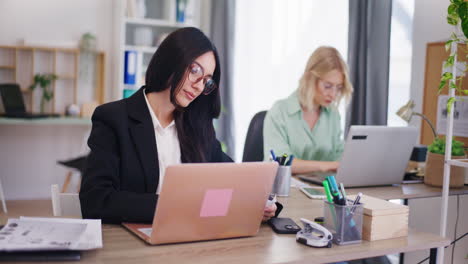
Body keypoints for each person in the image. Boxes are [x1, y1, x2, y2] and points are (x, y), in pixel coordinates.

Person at [80, 27, 277, 224]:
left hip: (188, 238)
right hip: (132, 244)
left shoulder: (198, 127)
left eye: (207, 80)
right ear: (171, 60)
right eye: (195, 71)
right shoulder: (114, 118)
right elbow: (95, 201)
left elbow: (233, 178)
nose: (200, 86)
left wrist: (261, 202)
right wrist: (177, 206)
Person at [263, 46, 353, 174]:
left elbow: (338, 155)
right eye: (327, 86)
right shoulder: (280, 112)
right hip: (286, 189)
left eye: (338, 88)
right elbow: (279, 163)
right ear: (311, 79)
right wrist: (326, 166)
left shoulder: (332, 114)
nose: (333, 94)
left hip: (322, 189)